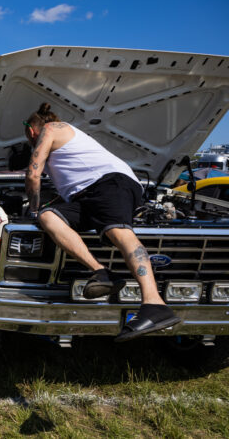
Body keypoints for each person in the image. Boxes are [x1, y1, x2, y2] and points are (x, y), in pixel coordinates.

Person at [23, 102, 181, 342]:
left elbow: (33, 173)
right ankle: (101, 272)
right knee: (49, 217)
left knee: (119, 233)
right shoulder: (62, 145)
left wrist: (31, 208)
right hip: (85, 196)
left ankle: (154, 303)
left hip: (109, 183)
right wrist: (39, 212)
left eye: (28, 139)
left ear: (32, 131)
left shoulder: (52, 128)